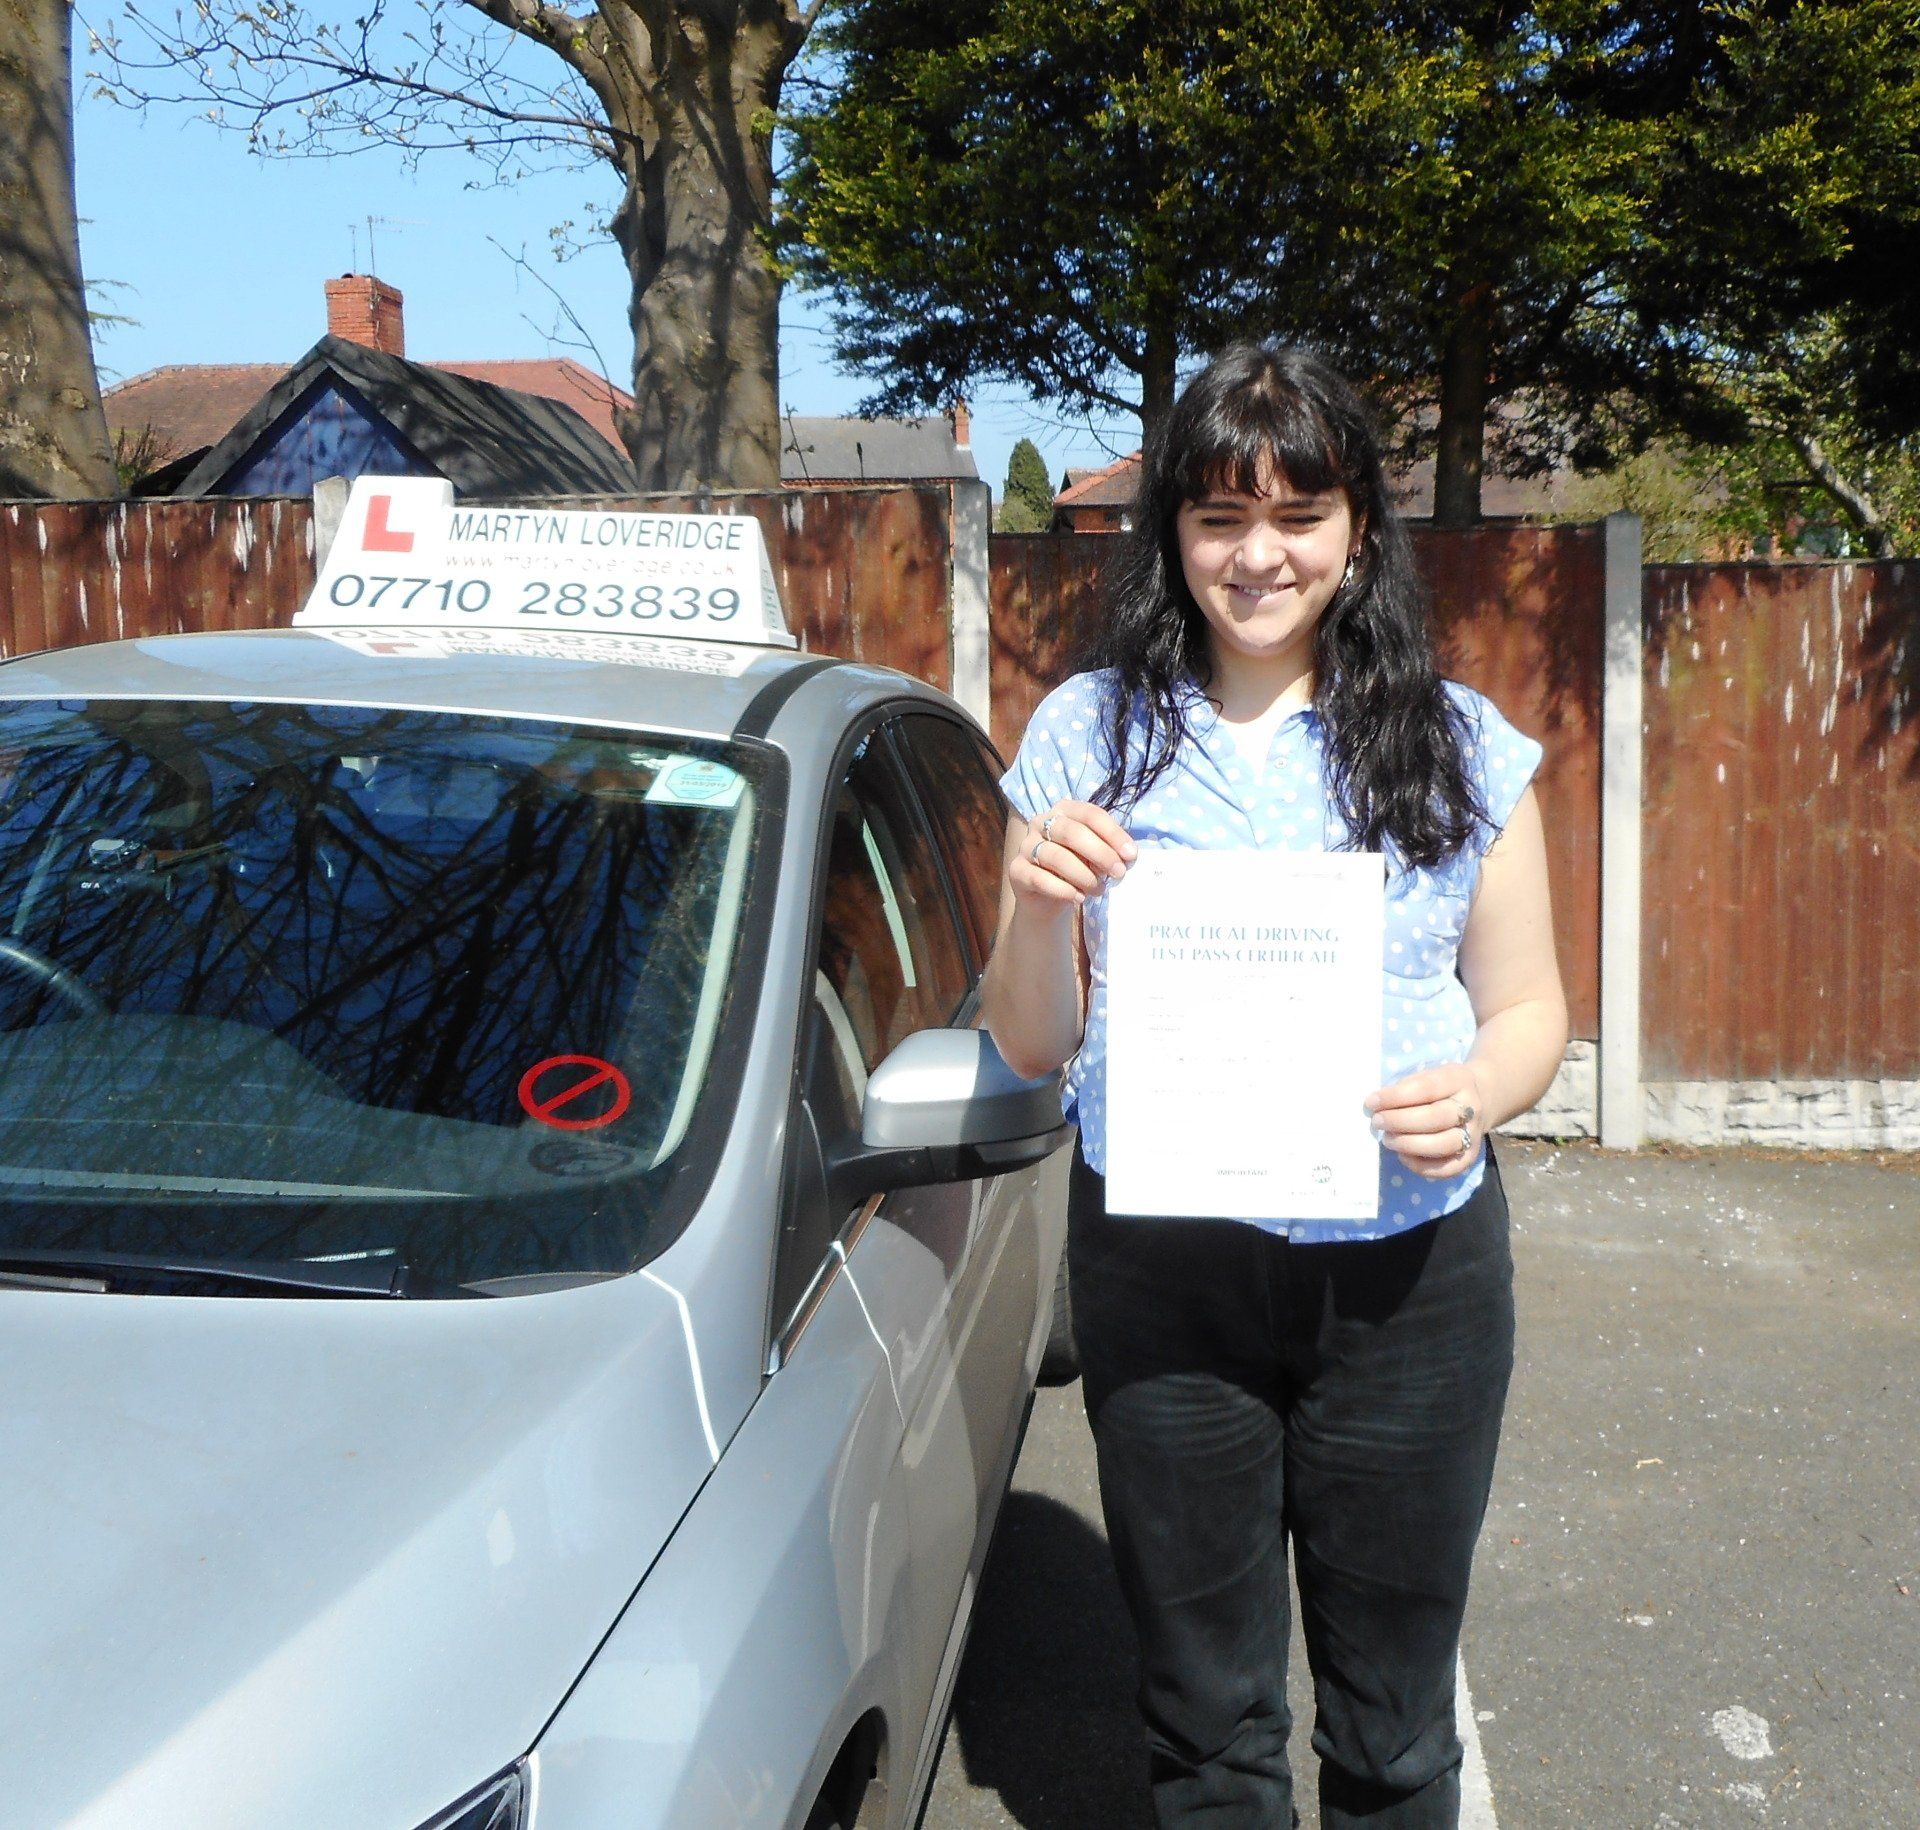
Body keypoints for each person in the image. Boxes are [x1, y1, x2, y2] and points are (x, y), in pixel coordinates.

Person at [980, 343, 1568, 1830]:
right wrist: (1038, 906)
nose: (1259, 556)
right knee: (1205, 1722)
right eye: (1220, 517)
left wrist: (1477, 1092)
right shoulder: (1085, 734)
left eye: (1299, 514)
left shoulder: (1457, 744)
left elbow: (1530, 1008)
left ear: (1357, 529)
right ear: (1172, 534)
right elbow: (1030, 1043)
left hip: (1409, 1280)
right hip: (1165, 1276)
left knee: (1394, 1725)